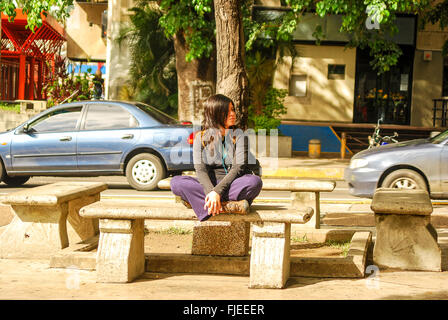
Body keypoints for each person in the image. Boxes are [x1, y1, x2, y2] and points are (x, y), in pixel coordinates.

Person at [170, 94, 263, 221]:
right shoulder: (200, 138)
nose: (233, 114)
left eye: (233, 109)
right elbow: (200, 170)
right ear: (216, 113)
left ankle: (202, 203)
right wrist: (211, 192)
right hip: (209, 185)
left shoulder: (240, 136)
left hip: (232, 184)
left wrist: (217, 193)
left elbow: (238, 168)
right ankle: (227, 206)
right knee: (176, 183)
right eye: (228, 110)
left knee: (254, 182)